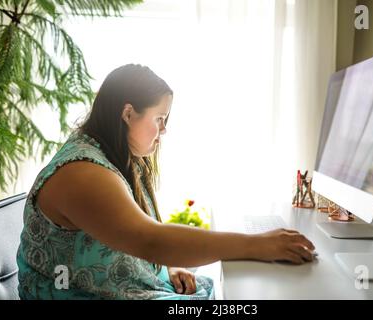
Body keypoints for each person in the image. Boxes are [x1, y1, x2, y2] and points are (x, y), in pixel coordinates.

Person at [16, 64, 316, 300]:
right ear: (128, 113)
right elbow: (151, 240)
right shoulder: (82, 173)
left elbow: (137, 234)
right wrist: (258, 245)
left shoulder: (114, 155)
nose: (164, 130)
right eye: (160, 118)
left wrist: (168, 266)